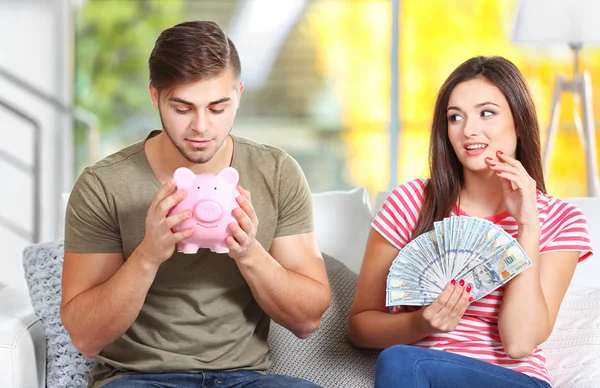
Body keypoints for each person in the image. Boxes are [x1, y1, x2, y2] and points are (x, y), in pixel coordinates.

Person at [60, 20, 331, 388]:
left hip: (246, 379)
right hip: (140, 379)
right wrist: (148, 254)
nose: (201, 127)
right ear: (155, 97)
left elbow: (308, 319)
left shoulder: (276, 172)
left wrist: (249, 252)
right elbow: (85, 337)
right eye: (183, 108)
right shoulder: (103, 185)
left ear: (239, 93)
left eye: (218, 108)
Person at [347, 56, 593, 388]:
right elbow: (360, 328)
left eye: (486, 112)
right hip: (417, 372)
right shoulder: (411, 203)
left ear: (518, 122)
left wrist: (528, 225)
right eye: (455, 117)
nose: (469, 130)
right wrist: (422, 323)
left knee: (403, 360)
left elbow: (519, 343)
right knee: (400, 359)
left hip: (512, 381)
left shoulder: (560, 220)